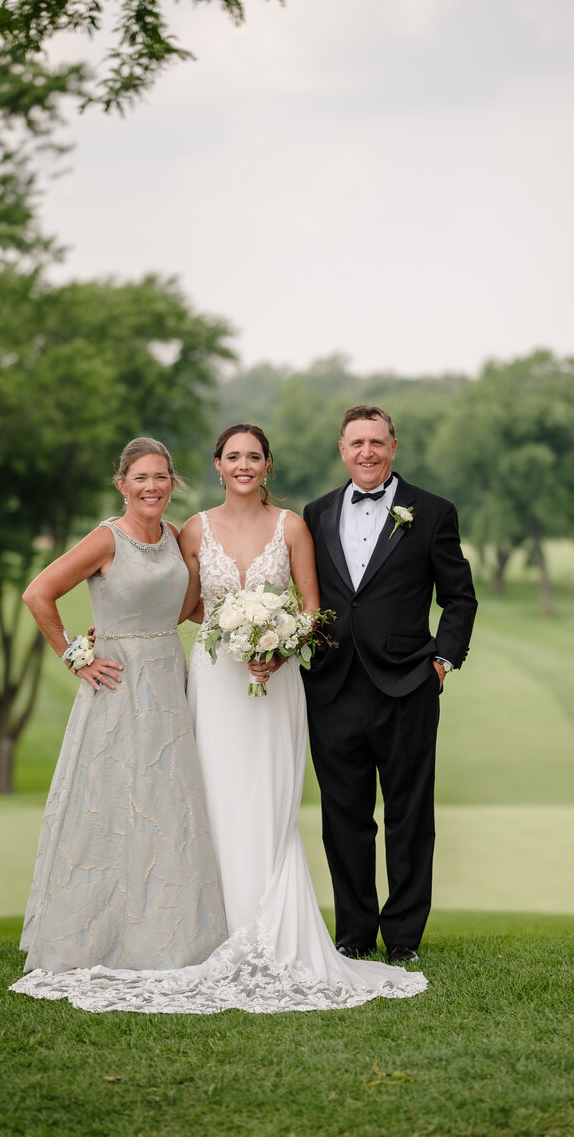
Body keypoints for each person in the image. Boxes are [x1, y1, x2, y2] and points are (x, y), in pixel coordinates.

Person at [173, 422, 427, 1010]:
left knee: (268, 797)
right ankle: (217, 928)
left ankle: (277, 927)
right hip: (214, 682)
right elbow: (186, 606)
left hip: (278, 682)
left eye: (253, 456)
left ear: (268, 465)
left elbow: (314, 610)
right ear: (216, 464)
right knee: (214, 795)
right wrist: (222, 634)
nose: (243, 465)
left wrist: (276, 646)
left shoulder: (292, 526)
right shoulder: (194, 529)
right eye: (232, 456)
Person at [11, 437, 227, 989]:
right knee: (111, 805)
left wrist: (249, 620)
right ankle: (96, 934)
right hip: (117, 687)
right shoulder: (107, 539)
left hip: (168, 682)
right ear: (122, 484)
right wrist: (77, 655)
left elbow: (186, 607)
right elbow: (39, 593)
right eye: (141, 478)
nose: (152, 487)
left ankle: (168, 934)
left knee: (165, 805)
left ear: (172, 482)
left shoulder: (176, 538)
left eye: (160, 477)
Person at [302, 405, 477, 965]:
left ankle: (403, 939)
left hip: (408, 686)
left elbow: (459, 597)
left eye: (377, 443)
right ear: (342, 448)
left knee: (409, 815)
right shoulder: (316, 512)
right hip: (332, 689)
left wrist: (442, 662)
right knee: (343, 819)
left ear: (393, 447)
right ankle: (353, 935)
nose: (367, 453)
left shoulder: (432, 512)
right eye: (357, 443)